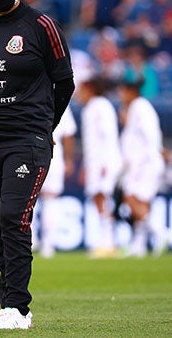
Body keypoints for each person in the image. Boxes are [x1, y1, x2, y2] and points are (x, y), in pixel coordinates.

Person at [0, 0, 75, 329]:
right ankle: (8, 302)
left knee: (14, 218)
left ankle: (18, 309)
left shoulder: (42, 25)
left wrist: (45, 127)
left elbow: (65, 82)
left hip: (25, 139)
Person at [117, 74, 167, 258]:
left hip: (146, 163)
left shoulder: (140, 107)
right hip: (143, 162)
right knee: (143, 202)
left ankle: (160, 232)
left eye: (122, 92)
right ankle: (139, 245)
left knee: (131, 198)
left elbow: (150, 135)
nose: (120, 95)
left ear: (131, 92)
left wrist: (157, 152)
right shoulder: (136, 108)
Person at [76, 76, 122, 258]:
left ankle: (109, 242)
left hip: (104, 161)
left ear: (90, 89)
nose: (78, 94)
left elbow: (107, 135)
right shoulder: (92, 108)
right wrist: (87, 166)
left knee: (103, 198)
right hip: (96, 162)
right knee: (99, 199)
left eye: (82, 90)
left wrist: (104, 162)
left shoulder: (100, 106)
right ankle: (106, 241)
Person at [36, 106, 76, 259]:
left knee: (24, 199)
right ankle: (48, 245)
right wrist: (69, 160)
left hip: (29, 153)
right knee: (50, 200)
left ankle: (30, 241)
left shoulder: (29, 95)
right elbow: (68, 134)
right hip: (53, 156)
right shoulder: (60, 101)